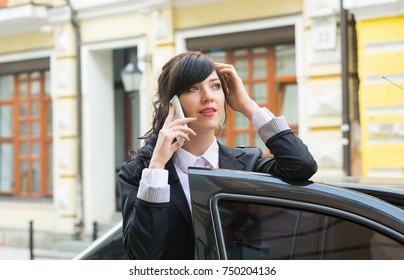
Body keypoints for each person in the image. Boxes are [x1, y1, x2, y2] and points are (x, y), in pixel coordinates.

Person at [118, 51, 317, 260]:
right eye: (193, 88)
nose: (208, 96)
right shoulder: (140, 174)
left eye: (215, 86)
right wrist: (157, 166)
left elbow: (302, 165)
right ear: (172, 104)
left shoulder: (245, 165)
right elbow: (142, 258)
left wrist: (247, 106)